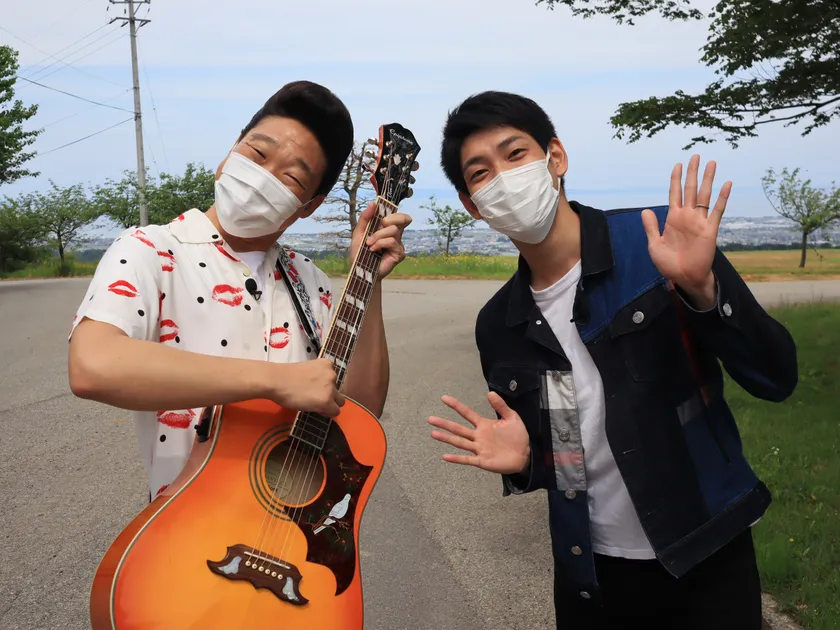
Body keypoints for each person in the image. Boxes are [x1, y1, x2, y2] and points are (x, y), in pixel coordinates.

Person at [427, 90, 798, 629]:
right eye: (481, 173)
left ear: (556, 157)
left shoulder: (658, 246)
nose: (504, 179)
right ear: (472, 204)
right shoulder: (500, 324)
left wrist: (703, 290)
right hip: (593, 575)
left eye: (515, 154)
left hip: (706, 552)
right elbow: (568, 451)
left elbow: (776, 377)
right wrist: (529, 461)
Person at [68, 80, 411, 501]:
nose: (263, 177)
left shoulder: (312, 281)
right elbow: (92, 364)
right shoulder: (149, 250)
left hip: (289, 527)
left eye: (291, 176)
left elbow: (361, 409)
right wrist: (274, 381)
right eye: (257, 154)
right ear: (229, 154)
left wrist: (368, 278)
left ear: (309, 206)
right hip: (185, 524)